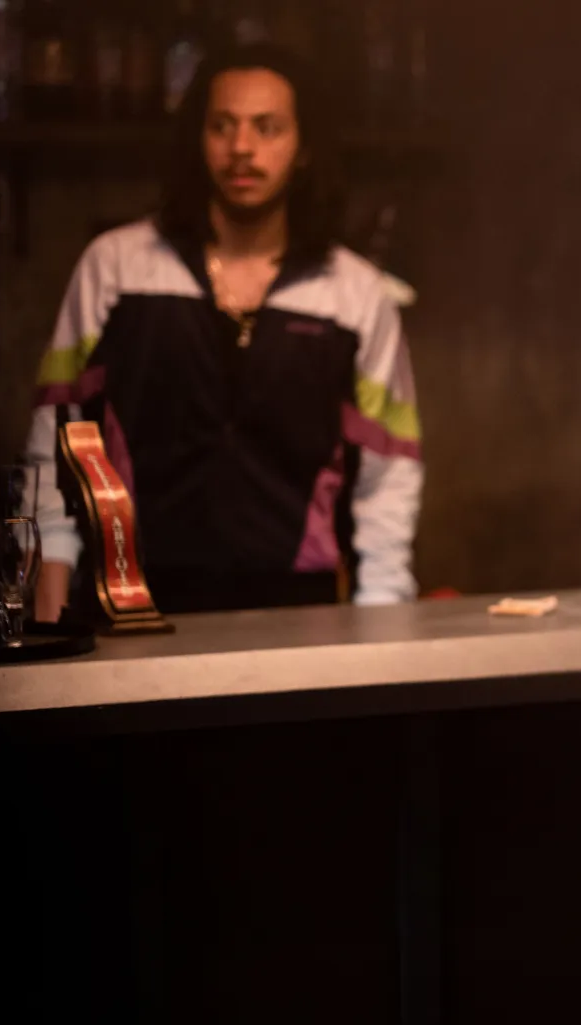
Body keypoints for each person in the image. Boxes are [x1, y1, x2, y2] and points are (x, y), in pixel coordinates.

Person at [27, 43, 422, 618]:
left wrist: (381, 616)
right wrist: (49, 591)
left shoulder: (354, 293)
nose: (242, 148)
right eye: (222, 126)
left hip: (300, 612)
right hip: (132, 605)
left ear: (304, 147)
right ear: (198, 139)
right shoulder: (116, 267)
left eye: (267, 128)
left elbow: (388, 475)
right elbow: (56, 440)